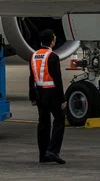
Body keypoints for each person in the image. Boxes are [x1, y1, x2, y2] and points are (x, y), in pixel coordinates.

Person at [28, 29, 66, 164]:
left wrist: (32, 96)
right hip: (52, 93)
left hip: (39, 93)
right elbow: (57, 78)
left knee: (43, 124)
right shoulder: (53, 56)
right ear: (52, 41)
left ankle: (43, 155)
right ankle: (53, 150)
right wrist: (62, 99)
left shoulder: (34, 55)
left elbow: (31, 77)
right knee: (60, 120)